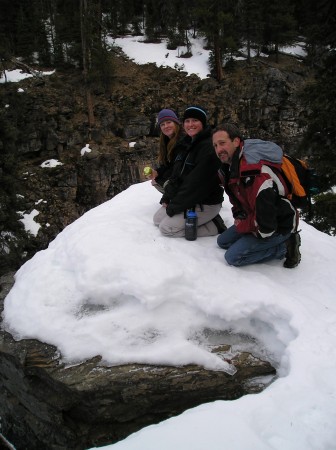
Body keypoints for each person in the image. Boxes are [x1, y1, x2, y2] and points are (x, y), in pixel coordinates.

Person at [212, 123, 301, 268]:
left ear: (236, 141)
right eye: (215, 145)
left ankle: (285, 245)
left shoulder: (256, 174)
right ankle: (254, 237)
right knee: (223, 242)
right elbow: (239, 199)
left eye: (222, 143)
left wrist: (243, 227)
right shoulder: (231, 168)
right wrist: (240, 216)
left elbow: (266, 226)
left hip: (277, 225)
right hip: (256, 216)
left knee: (233, 257)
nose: (219, 149)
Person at [153, 106, 226, 237]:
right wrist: (167, 197)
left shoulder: (208, 147)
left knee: (166, 228)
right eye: (187, 121)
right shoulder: (186, 143)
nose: (190, 124)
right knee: (157, 219)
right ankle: (196, 217)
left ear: (202, 123)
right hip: (191, 198)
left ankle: (214, 226)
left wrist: (174, 206)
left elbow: (195, 184)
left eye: (195, 120)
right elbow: (176, 174)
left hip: (206, 201)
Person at [146, 109, 185, 193]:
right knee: (155, 181)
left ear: (175, 123)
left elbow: (178, 169)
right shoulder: (166, 141)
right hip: (177, 178)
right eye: (162, 124)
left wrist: (159, 177)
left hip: (185, 179)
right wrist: (156, 172)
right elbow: (168, 164)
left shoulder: (183, 140)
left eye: (168, 122)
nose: (166, 126)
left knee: (161, 181)